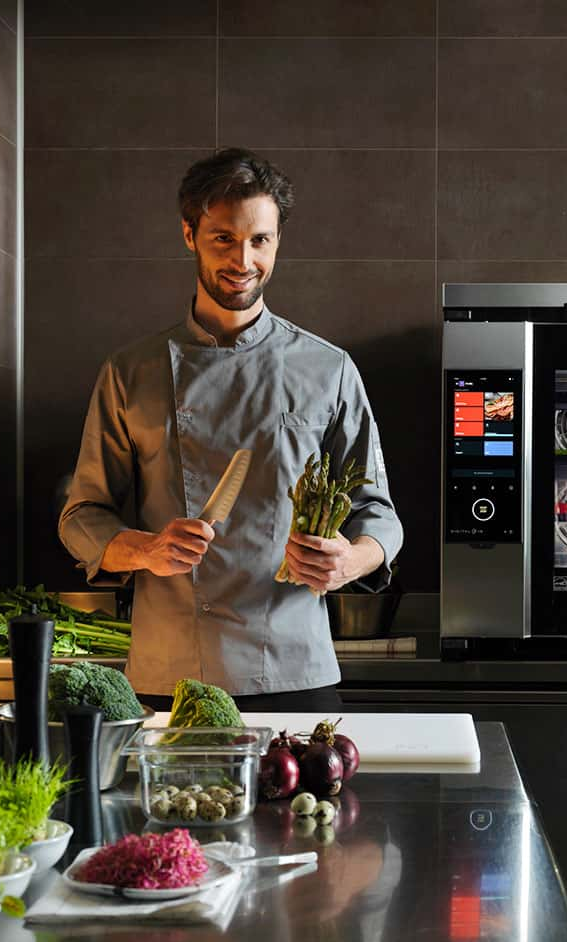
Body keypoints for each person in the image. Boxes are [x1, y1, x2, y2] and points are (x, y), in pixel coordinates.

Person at [58, 148, 403, 710]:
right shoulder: (131, 371)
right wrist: (147, 549)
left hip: (296, 667)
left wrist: (350, 559)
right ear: (189, 235)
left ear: (277, 241)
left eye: (260, 240)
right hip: (169, 671)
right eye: (224, 238)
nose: (243, 259)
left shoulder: (328, 368)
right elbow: (81, 518)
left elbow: (378, 515)